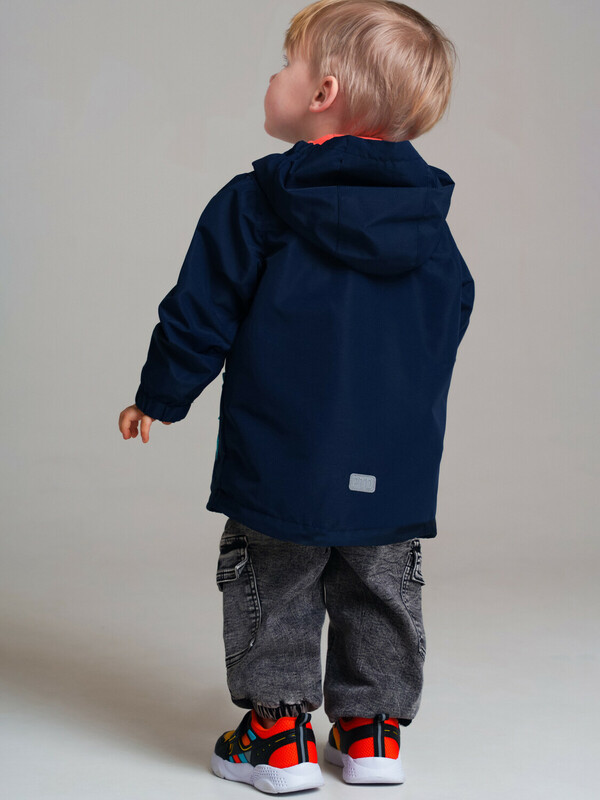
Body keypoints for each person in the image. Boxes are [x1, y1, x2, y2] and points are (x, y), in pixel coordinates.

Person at [118, 0, 475, 793]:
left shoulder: (254, 203)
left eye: (287, 64)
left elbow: (200, 313)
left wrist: (160, 396)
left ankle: (278, 738)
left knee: (275, 577)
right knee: (380, 582)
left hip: (282, 450)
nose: (274, 77)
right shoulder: (428, 219)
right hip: (395, 455)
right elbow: (452, 309)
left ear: (323, 93)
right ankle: (372, 732)